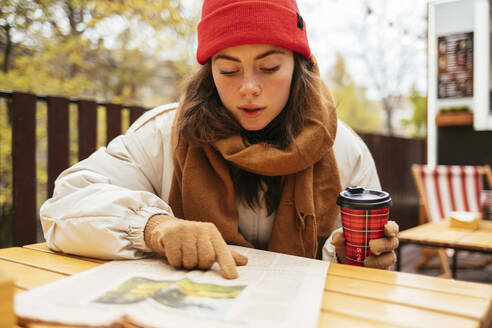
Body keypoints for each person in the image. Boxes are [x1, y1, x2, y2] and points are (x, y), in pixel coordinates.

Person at [40, 0, 399, 280]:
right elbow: (64, 207)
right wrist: (155, 227)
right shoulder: (165, 134)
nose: (248, 88)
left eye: (269, 67)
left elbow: (360, 270)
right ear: (210, 72)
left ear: (298, 66)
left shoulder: (343, 150)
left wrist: (356, 258)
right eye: (228, 70)